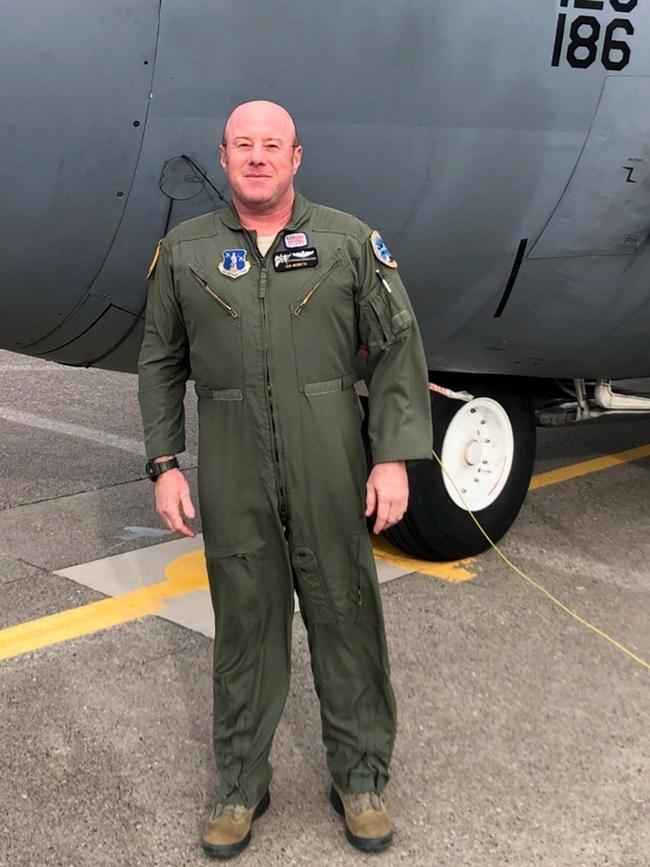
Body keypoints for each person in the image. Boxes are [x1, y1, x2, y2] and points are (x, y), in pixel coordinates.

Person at [138, 100, 432, 858]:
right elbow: (160, 362)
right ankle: (240, 783)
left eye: (273, 144)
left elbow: (398, 345)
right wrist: (165, 463)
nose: (258, 156)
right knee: (244, 625)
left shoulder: (347, 242)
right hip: (233, 460)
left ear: (297, 156)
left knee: (346, 613)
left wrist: (394, 454)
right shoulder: (186, 250)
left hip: (329, 453)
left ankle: (360, 777)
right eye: (244, 145)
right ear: (226, 156)